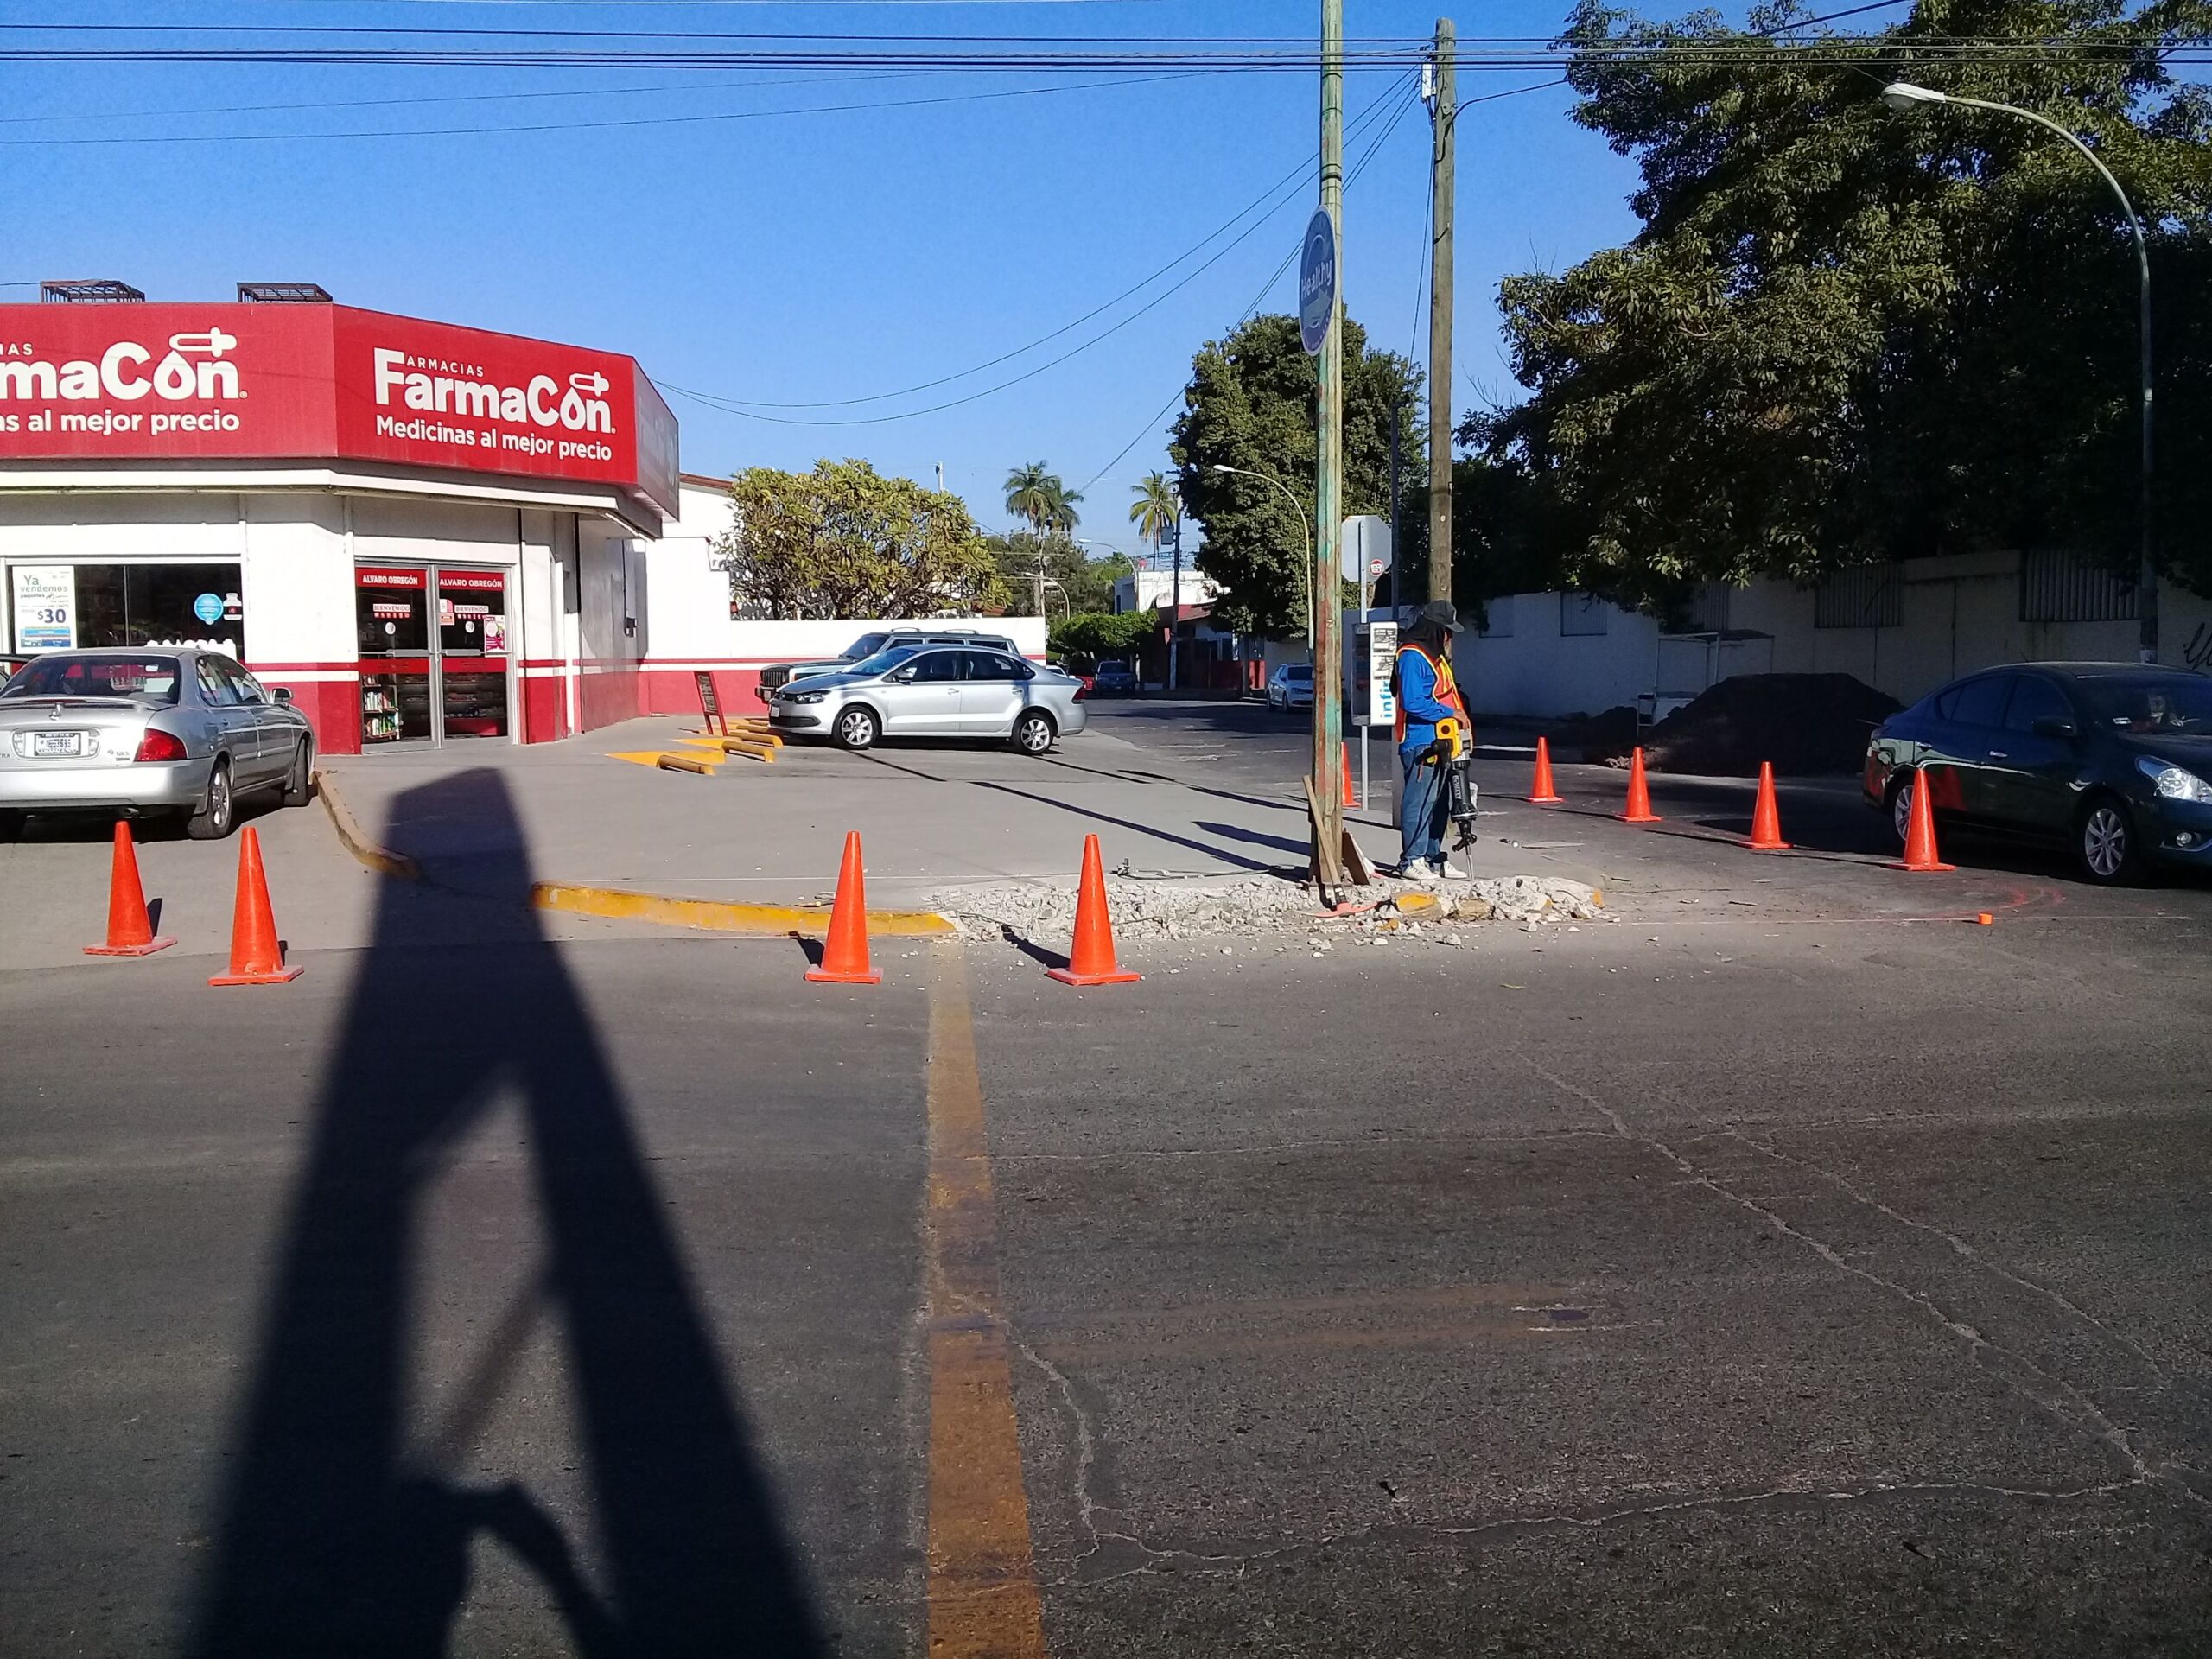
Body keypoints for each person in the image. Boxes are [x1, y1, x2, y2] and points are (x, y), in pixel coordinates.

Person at [1394, 600, 1470, 880]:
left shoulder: (1435, 657)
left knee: (1439, 803)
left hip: (1443, 737)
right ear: (1435, 629)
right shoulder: (1412, 656)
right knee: (1419, 802)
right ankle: (1411, 861)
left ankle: (1433, 858)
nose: (1449, 637)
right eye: (1447, 631)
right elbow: (1413, 701)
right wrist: (1449, 712)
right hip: (1420, 741)